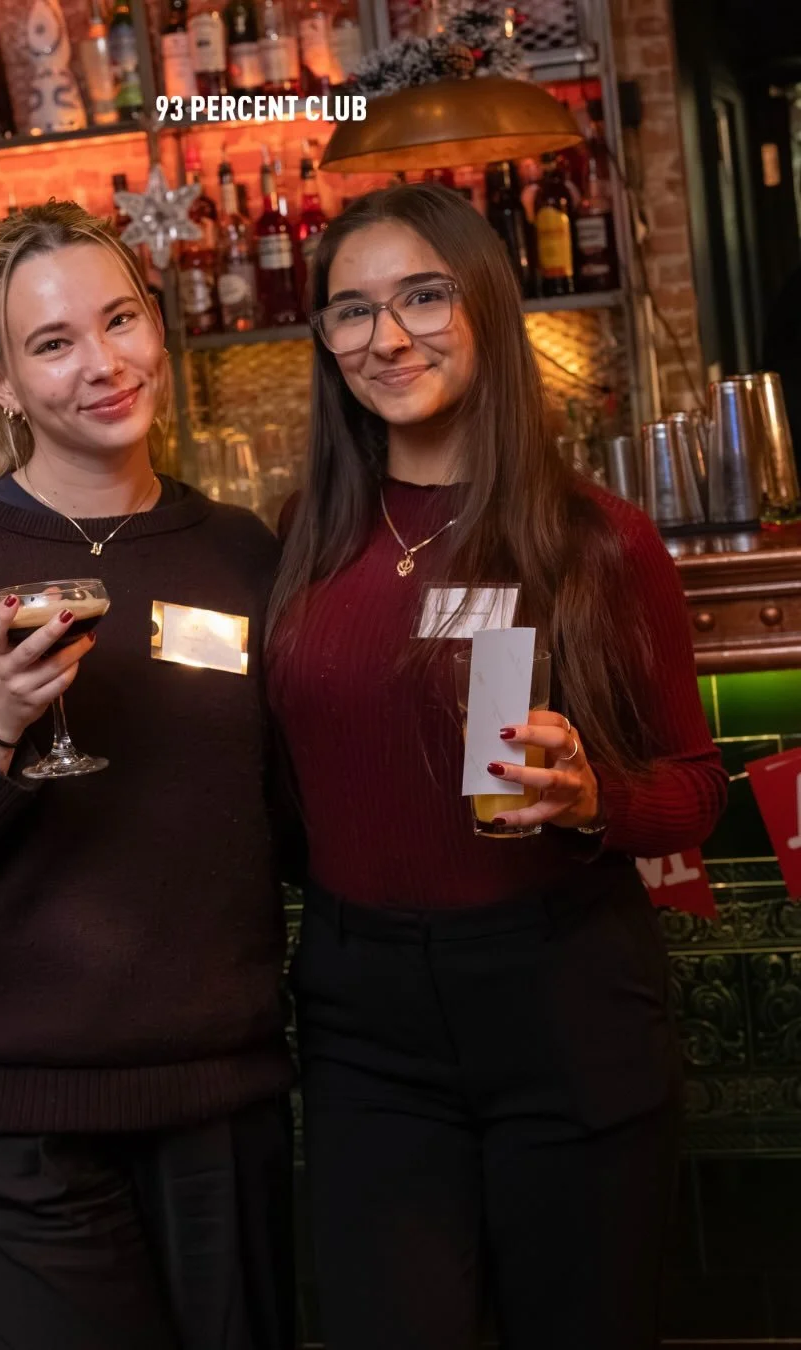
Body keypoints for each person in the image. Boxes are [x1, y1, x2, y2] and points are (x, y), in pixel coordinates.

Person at [266, 183, 728, 1350]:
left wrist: (593, 798)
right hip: (362, 1017)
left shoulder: (597, 538)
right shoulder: (302, 541)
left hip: (561, 998)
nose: (388, 336)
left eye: (423, 295)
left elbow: (696, 786)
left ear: (484, 303)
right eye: (352, 310)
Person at [0, 201, 294, 1350]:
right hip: (7, 1131)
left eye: (120, 320)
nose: (103, 365)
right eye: (53, 344)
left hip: (218, 1109)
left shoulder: (243, 554)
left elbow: (293, 817)